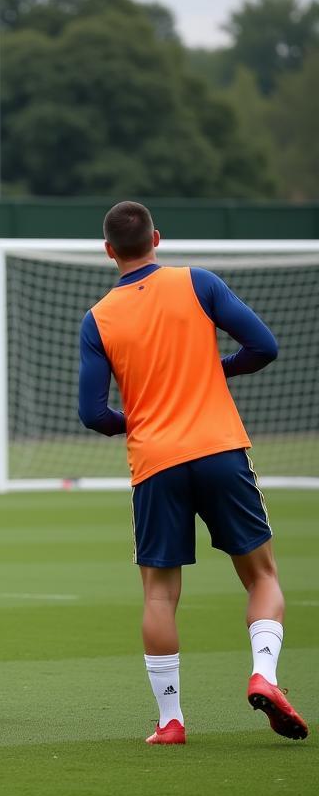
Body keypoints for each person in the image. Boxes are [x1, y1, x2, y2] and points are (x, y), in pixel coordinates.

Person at [78, 200, 308, 745]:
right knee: (262, 575)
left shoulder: (98, 318)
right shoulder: (197, 282)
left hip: (155, 464)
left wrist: (132, 420)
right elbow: (264, 347)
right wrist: (215, 370)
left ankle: (171, 722)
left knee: (159, 595)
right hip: (220, 449)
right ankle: (264, 675)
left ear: (109, 250)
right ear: (156, 237)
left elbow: (92, 413)